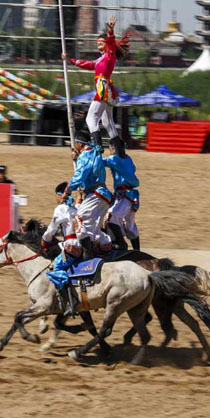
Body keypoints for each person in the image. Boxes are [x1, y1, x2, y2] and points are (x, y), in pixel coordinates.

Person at [62, 15, 129, 155]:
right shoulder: (101, 59)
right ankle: (119, 148)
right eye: (97, 44)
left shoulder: (110, 54)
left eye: (100, 43)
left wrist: (110, 30)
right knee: (107, 121)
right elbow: (88, 64)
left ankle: (98, 145)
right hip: (108, 90)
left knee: (91, 118)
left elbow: (111, 43)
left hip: (103, 87)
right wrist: (71, 60)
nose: (98, 46)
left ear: (106, 44)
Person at [65, 127, 113, 258]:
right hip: (104, 196)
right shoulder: (94, 152)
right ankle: (105, 250)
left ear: (80, 143)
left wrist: (68, 190)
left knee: (78, 219)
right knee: (92, 229)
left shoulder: (85, 156)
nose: (74, 146)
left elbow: (80, 176)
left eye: (75, 143)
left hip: (96, 194)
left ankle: (88, 256)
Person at [44, 181, 82, 316]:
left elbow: (51, 230)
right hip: (80, 244)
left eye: (56, 196)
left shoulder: (60, 209)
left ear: (60, 195)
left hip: (70, 246)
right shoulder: (76, 207)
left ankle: (69, 302)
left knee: (55, 268)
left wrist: (44, 240)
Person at [104, 142, 141, 251]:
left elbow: (101, 162)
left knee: (111, 217)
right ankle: (137, 251)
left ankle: (121, 244)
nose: (109, 151)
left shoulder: (114, 159)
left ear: (113, 149)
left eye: (109, 148)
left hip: (123, 196)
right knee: (129, 224)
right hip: (131, 196)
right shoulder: (128, 159)